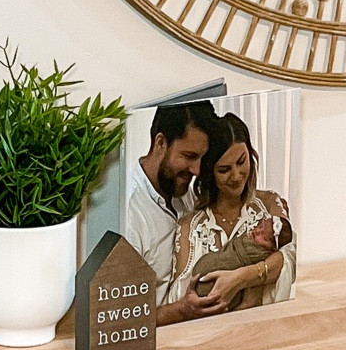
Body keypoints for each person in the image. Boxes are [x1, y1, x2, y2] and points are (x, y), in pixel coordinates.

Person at [169, 114, 296, 311]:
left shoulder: (269, 203)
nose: (236, 176)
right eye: (224, 169)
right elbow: (178, 294)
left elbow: (291, 256)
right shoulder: (189, 227)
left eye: (241, 161)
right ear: (209, 173)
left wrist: (239, 279)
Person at [122, 100, 229, 324]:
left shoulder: (185, 193)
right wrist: (182, 310)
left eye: (202, 158)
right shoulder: (128, 213)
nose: (197, 170)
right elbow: (122, 316)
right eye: (189, 157)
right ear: (160, 143)